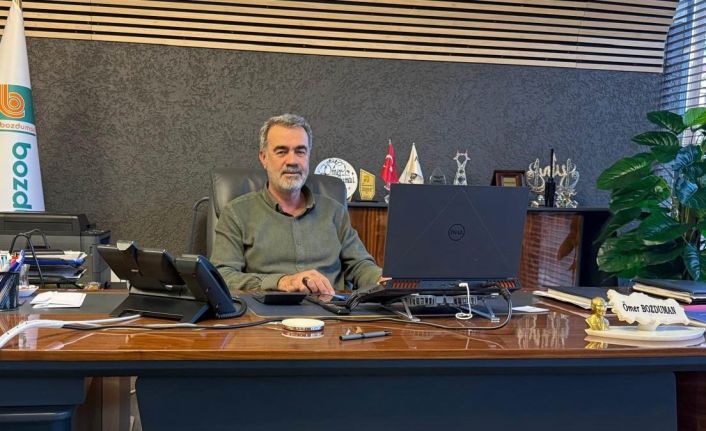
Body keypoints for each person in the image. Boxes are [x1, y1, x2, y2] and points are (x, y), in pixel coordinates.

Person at [210, 113, 383, 295]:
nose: (292, 161)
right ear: (264, 157)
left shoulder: (335, 212)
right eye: (281, 151)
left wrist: (382, 279)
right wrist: (282, 281)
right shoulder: (236, 213)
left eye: (300, 151)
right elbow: (222, 276)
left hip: (331, 309)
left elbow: (360, 265)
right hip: (269, 311)